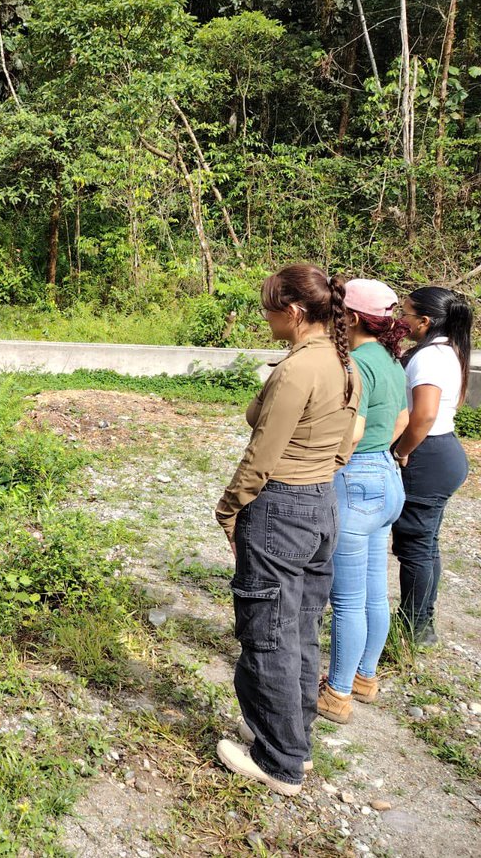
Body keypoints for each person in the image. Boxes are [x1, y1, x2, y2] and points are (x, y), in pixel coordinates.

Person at [214, 264, 359, 796]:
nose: (265, 317)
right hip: (321, 502)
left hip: (279, 506)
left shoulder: (298, 370)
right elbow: (347, 441)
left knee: (267, 632)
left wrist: (230, 508)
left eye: (269, 308)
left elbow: (262, 453)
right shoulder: (344, 363)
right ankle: (295, 743)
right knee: (298, 627)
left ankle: (278, 761)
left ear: (294, 311)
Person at [317, 280, 409, 724]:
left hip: (357, 484)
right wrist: (377, 455)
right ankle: (364, 678)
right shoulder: (391, 361)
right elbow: (404, 419)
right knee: (375, 588)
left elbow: (352, 431)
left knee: (348, 600)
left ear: (350, 318)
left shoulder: (353, 363)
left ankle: (336, 694)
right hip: (388, 479)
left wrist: (335, 462)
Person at [389, 287, 474, 646]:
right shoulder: (447, 351)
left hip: (427, 454)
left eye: (406, 314)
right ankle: (421, 621)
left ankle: (416, 625)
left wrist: (402, 451)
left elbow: (424, 415)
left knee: (416, 547)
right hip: (441, 452)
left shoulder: (429, 358)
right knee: (425, 544)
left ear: (424, 321)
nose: (400, 320)